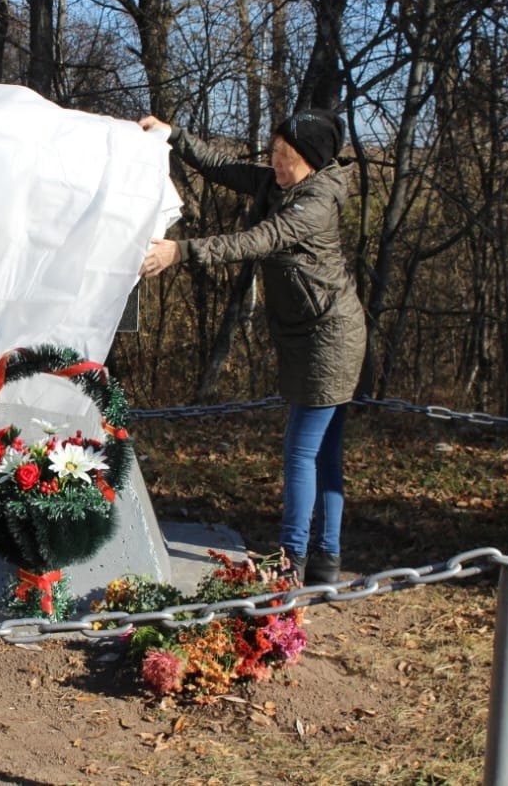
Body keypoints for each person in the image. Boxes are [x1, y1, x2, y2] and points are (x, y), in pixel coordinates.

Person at [137, 109, 366, 585]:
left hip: (331, 337)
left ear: (313, 160)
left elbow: (260, 239)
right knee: (323, 455)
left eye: (287, 158)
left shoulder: (316, 202)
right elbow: (220, 166)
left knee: (304, 453)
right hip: (310, 333)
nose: (277, 164)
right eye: (275, 154)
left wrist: (180, 251)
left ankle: (293, 561)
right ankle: (326, 562)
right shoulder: (277, 184)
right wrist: (173, 134)